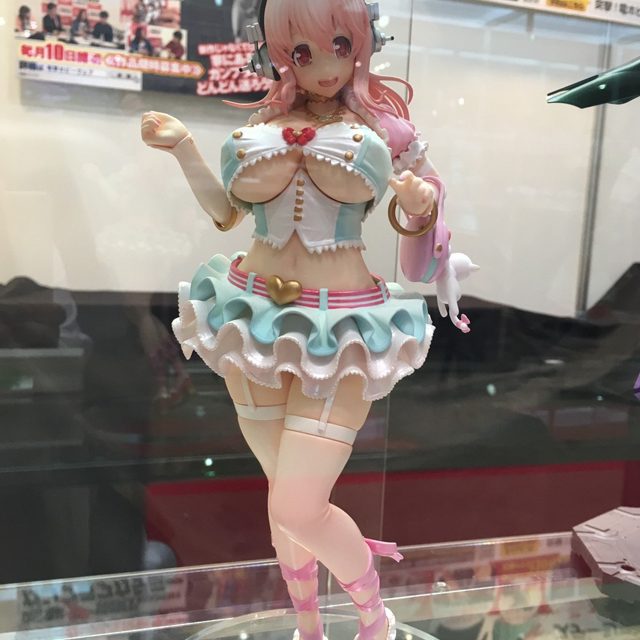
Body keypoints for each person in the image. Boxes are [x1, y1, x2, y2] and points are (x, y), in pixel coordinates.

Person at [141, 2, 473, 640]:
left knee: (298, 503)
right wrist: (183, 148)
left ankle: (375, 621)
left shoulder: (389, 133)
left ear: (364, 43)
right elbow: (227, 215)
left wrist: (419, 206)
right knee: (283, 497)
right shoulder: (266, 122)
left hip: (341, 330)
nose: (323, 65)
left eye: (339, 45)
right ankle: (309, 627)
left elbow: (420, 243)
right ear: (277, 53)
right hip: (254, 315)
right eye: (301, 52)